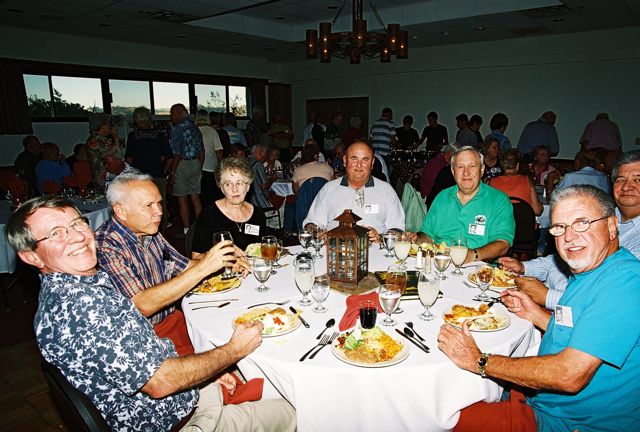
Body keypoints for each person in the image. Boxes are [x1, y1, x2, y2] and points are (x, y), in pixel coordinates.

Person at [7, 195, 296, 431]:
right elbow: (160, 382)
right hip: (171, 421)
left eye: (77, 224)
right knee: (300, 411)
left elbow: (141, 361)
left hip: (175, 396)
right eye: (55, 233)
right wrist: (231, 351)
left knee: (268, 380)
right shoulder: (82, 307)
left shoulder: (74, 287)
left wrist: (202, 374)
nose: (77, 238)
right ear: (30, 256)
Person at [439, 184, 640, 432]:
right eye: (559, 227)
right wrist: (535, 315)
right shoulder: (591, 271)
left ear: (611, 226)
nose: (568, 236)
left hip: (567, 423)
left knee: (438, 422)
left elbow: (569, 375)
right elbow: (582, 331)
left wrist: (479, 361)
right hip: (540, 401)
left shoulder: (625, 281)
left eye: (582, 223)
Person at [94, 172, 249, 356]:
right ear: (120, 211)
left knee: (233, 329)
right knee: (229, 353)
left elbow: (186, 265)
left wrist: (221, 257)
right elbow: (141, 304)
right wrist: (205, 266)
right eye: (148, 205)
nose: (159, 211)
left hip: (173, 320)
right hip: (142, 340)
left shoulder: (149, 233)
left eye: (159, 203)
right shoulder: (106, 245)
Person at [499, 150, 640, 309]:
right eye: (621, 179)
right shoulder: (602, 215)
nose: (627, 186)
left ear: (611, 226)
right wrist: (524, 267)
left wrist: (546, 296)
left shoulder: (606, 226)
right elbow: (560, 258)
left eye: (637, 179)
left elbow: (608, 303)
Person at [413, 146, 515, 263]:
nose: (466, 172)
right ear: (453, 172)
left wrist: (473, 255)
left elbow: (503, 243)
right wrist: (416, 239)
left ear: (482, 170)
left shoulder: (498, 200)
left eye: (472, 166)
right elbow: (427, 235)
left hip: (479, 269)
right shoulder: (442, 197)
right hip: (439, 263)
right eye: (460, 167)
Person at [303, 141, 404, 243]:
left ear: (372, 163)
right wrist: (316, 232)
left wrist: (380, 238)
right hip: (334, 251)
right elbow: (312, 222)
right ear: (345, 160)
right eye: (354, 159)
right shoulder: (329, 189)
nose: (359, 165)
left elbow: (397, 228)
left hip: (376, 253)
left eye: (365, 159)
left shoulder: (386, 191)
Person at [192, 157, 267, 253]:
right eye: (228, 184)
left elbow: (262, 251)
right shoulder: (209, 215)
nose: (234, 189)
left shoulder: (258, 215)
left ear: (248, 186)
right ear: (221, 188)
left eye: (239, 183)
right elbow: (197, 256)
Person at [126, 106, 174, 224]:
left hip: (138, 178)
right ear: (149, 119)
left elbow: (128, 159)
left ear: (136, 120)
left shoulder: (133, 136)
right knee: (160, 206)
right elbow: (169, 157)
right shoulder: (159, 136)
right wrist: (164, 170)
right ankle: (162, 234)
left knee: (141, 206)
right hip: (157, 175)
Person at [167, 104, 204, 236]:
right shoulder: (195, 128)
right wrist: (199, 166)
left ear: (179, 113)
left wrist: (172, 172)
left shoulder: (176, 129)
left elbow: (176, 153)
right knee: (195, 197)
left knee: (182, 199)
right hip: (195, 163)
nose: (171, 117)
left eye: (172, 114)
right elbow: (202, 150)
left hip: (181, 164)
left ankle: (187, 230)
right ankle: (200, 227)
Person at [489, 149, 543, 215]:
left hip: (502, 224)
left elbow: (489, 209)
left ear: (502, 165)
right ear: (517, 165)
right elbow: (537, 210)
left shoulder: (493, 182)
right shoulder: (527, 181)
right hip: (525, 224)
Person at [195, 109, 224, 206]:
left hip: (196, 166)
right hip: (211, 167)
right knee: (211, 197)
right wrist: (221, 166)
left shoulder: (194, 130)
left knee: (199, 197)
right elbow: (218, 150)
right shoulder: (212, 131)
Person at [85, 113, 120, 187]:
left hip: (99, 176)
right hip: (103, 177)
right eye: (108, 124)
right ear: (102, 126)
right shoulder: (98, 139)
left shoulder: (94, 138)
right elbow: (110, 155)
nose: (110, 127)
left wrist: (115, 138)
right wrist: (116, 141)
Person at [247, 143, 276, 210]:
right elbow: (263, 186)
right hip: (258, 199)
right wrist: (272, 179)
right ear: (261, 153)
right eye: (265, 154)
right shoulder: (258, 165)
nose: (265, 157)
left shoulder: (246, 161)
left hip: (248, 199)